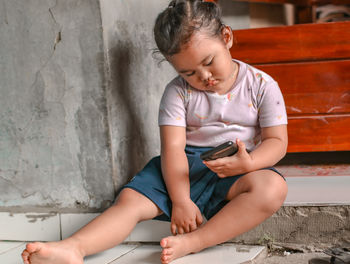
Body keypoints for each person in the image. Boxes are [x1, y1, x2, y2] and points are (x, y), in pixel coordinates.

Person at [21, 0, 288, 263]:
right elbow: (172, 149)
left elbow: (277, 142)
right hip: (182, 167)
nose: (205, 76)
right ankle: (73, 248)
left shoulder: (262, 85)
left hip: (234, 168)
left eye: (209, 61)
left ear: (226, 37)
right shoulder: (177, 92)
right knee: (129, 200)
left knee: (272, 188)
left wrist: (250, 162)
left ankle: (195, 241)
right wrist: (181, 200)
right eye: (189, 72)